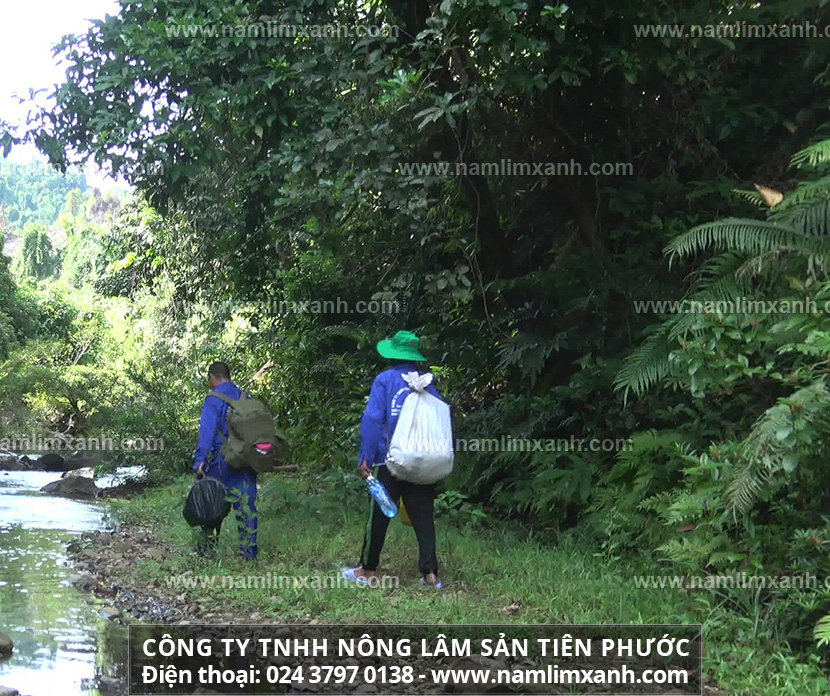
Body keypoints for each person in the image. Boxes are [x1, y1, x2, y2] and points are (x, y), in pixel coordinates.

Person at [343, 330, 448, 588]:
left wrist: (365, 457)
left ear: (392, 355)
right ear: (414, 356)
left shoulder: (385, 380)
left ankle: (367, 571)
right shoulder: (426, 382)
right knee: (423, 516)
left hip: (385, 461)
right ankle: (430, 575)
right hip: (421, 462)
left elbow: (372, 419)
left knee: (378, 515)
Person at [193, 361, 258, 560]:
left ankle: (206, 552)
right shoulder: (245, 397)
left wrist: (200, 461)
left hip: (221, 461)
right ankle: (249, 554)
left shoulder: (213, 399)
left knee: (212, 506)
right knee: (246, 506)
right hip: (246, 460)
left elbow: (207, 433)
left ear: (213, 377)